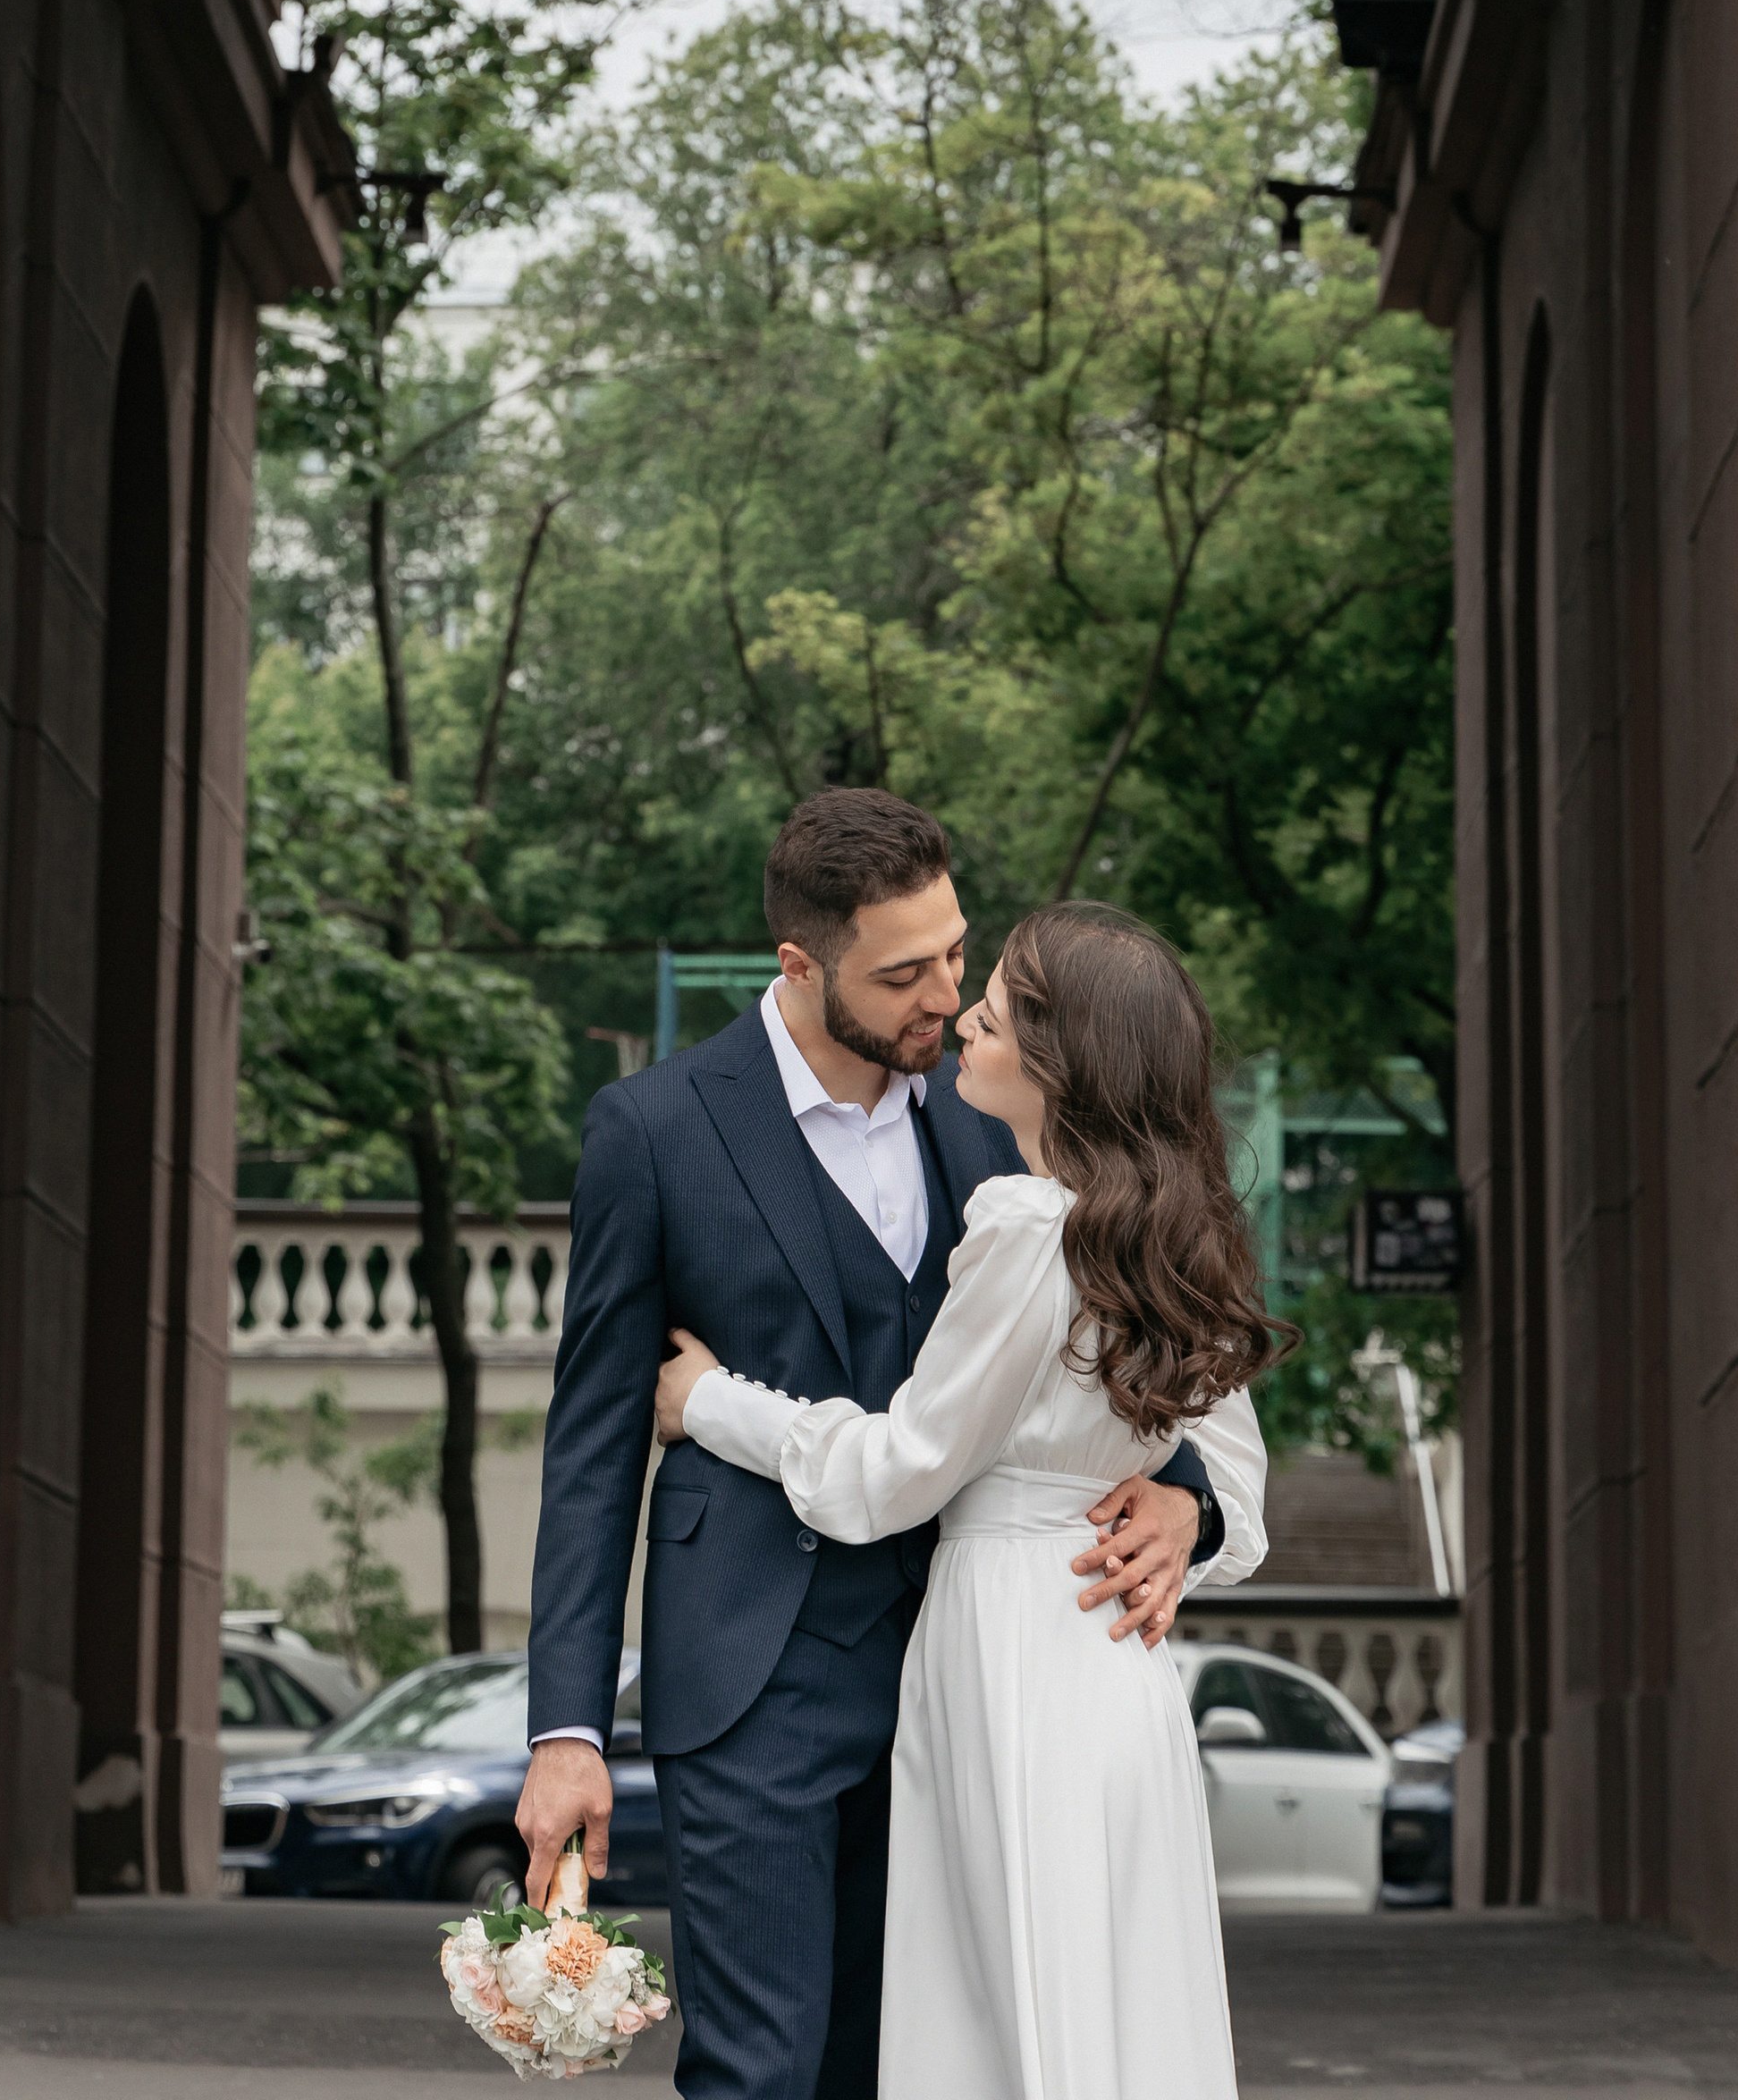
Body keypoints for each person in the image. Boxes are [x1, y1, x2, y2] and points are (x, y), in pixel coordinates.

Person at [519, 792, 1228, 2100]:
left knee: (922, 2064)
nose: (950, 998)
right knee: (761, 2071)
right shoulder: (656, 1131)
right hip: (752, 1672)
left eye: (957, 953)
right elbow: (593, 1443)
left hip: (971, 1683)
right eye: (905, 973)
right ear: (799, 965)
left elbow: (1108, 1349)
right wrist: (566, 1726)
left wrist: (1189, 1501)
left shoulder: (1000, 1116)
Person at [661, 898, 1275, 2100]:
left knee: (1002, 2014)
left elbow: (897, 1472)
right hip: (1118, 1678)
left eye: (996, 1007)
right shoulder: (1173, 1232)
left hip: (1015, 1659)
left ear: (1063, 1061)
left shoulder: (1031, 1230)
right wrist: (1187, 1516)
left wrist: (714, 1402)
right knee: (1106, 2007)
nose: (965, 1014)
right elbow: (1245, 1504)